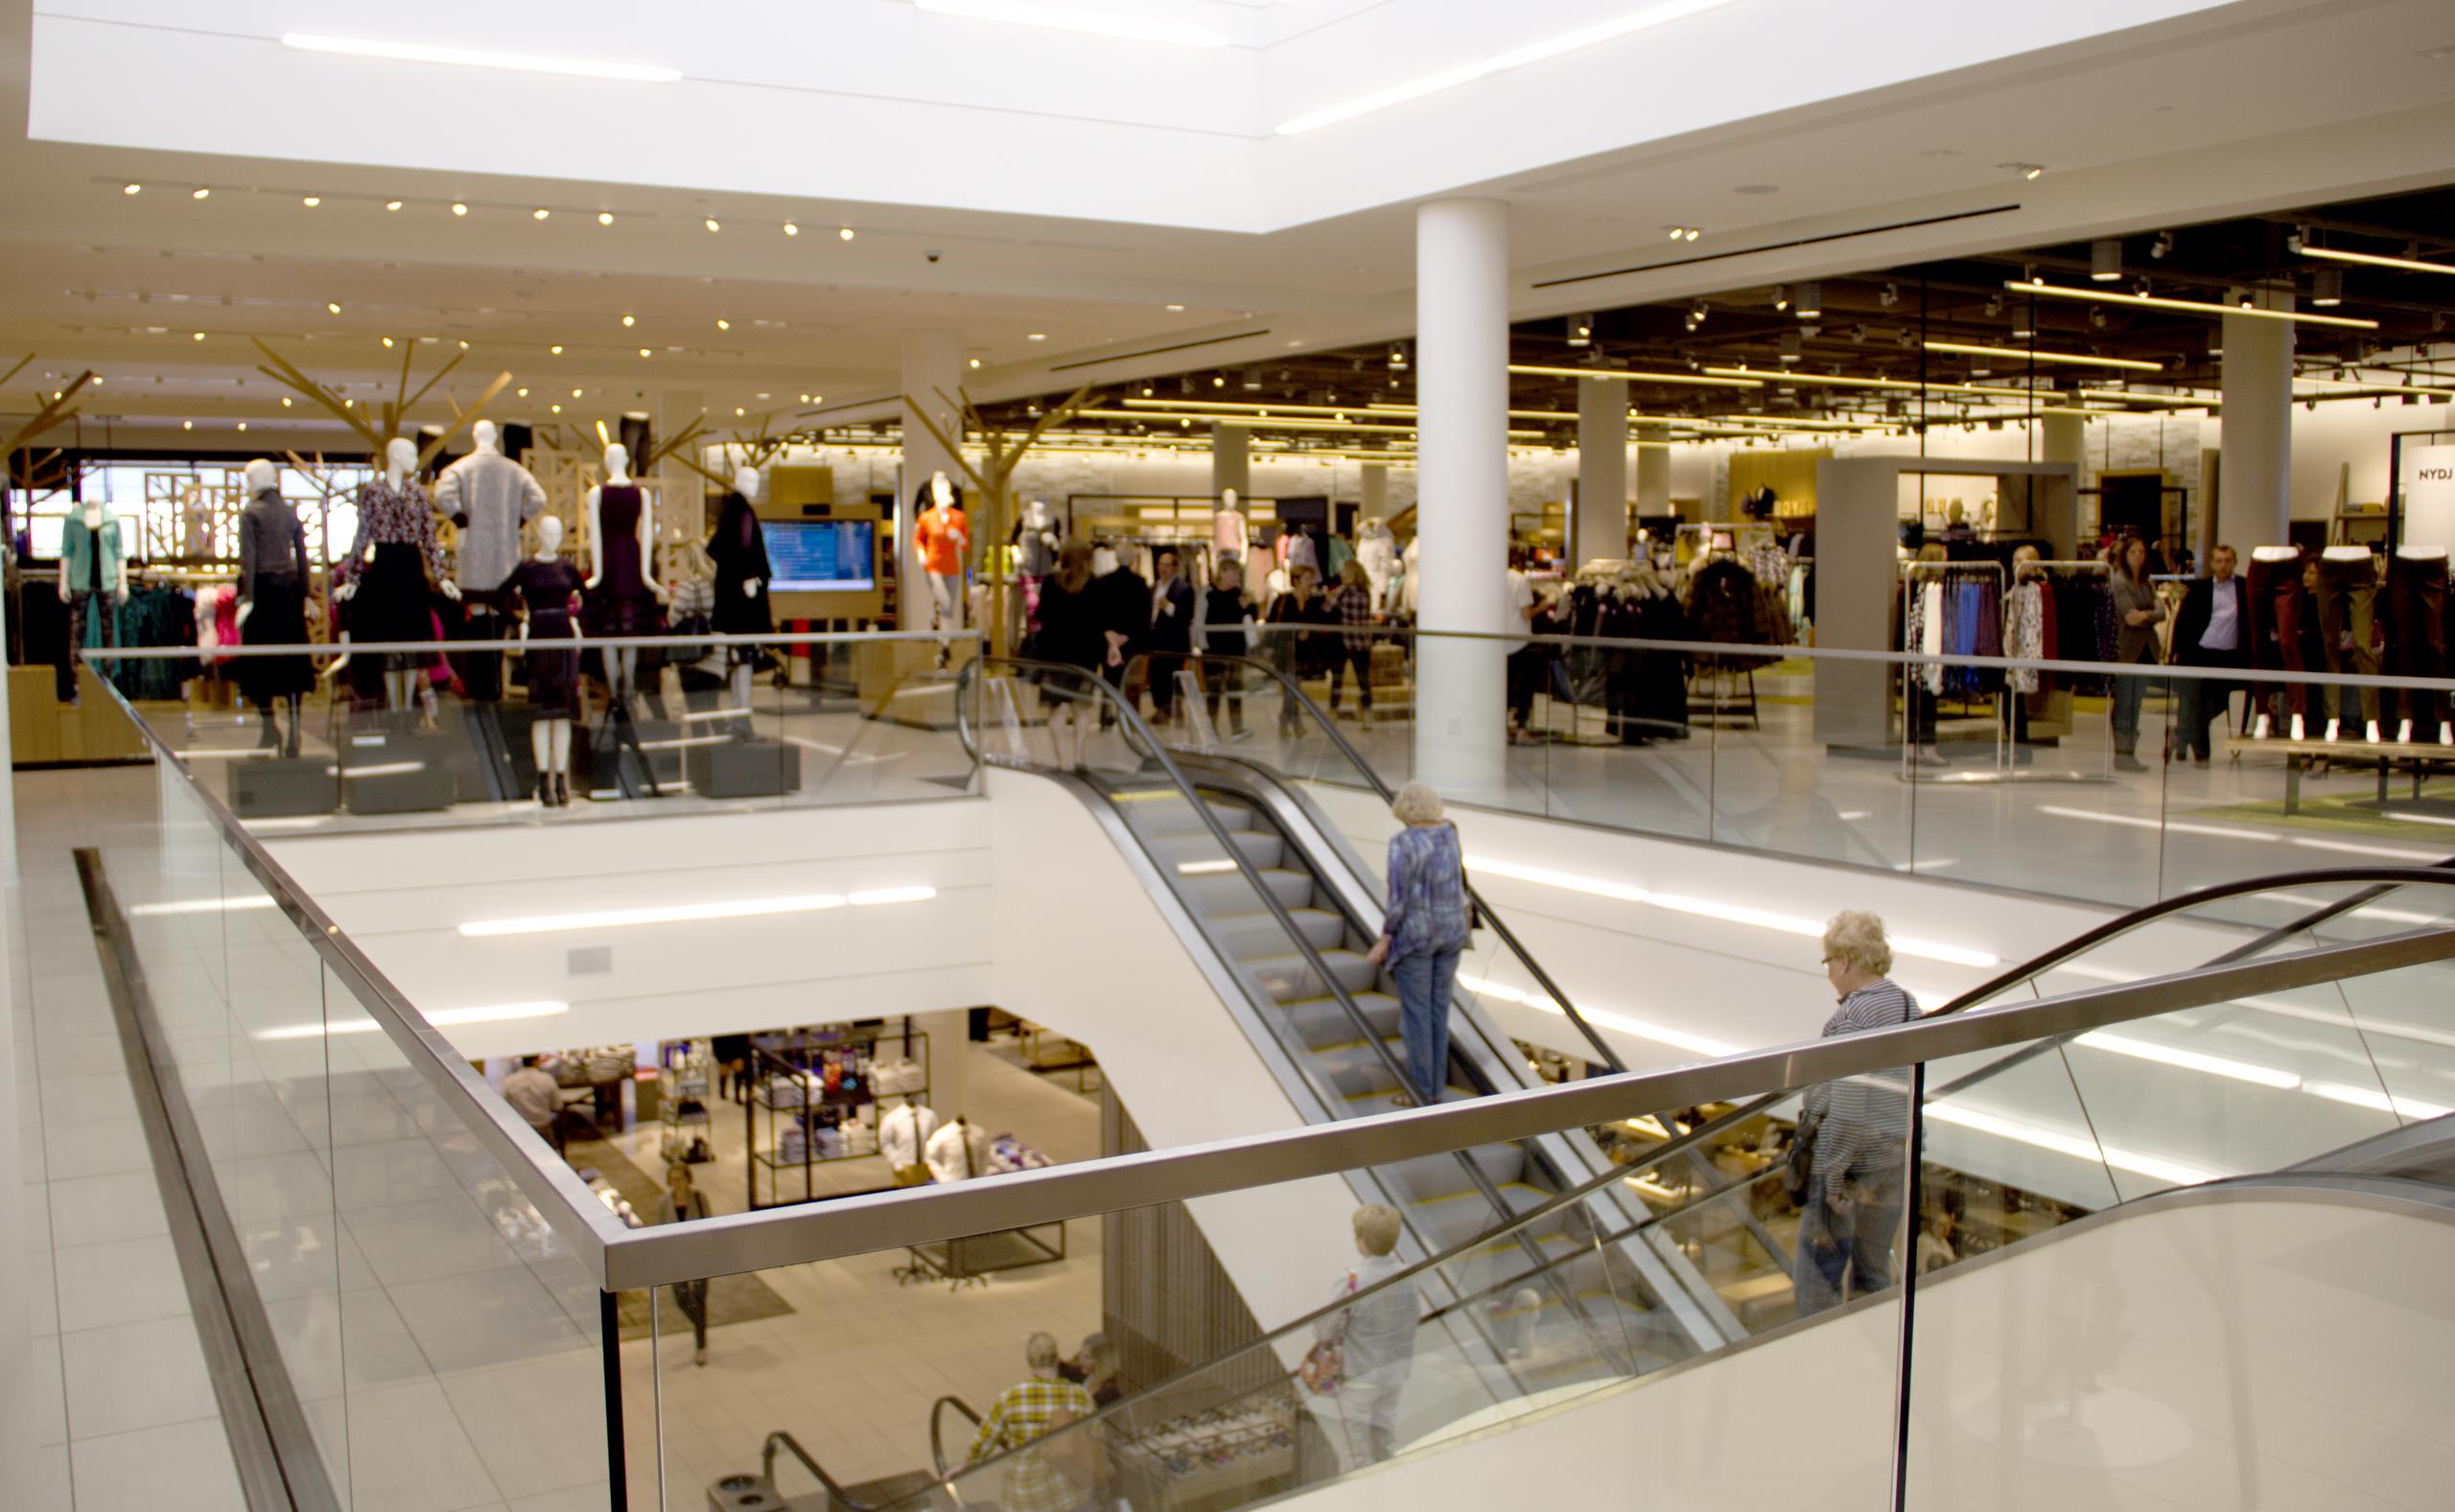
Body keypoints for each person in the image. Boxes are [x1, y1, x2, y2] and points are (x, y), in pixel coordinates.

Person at [1791, 911, 1920, 1318]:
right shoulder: (1906, 1004)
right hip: (1891, 1160)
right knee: (1873, 1270)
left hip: (1848, 1172)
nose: (1829, 971)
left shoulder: (1850, 1018)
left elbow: (1847, 1108)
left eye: (1828, 961)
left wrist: (1832, 1180)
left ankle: (1819, 1362)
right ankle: (1879, 1356)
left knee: (1817, 1281)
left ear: (1844, 960)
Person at [1366, 781, 1471, 1106]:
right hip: (1453, 931)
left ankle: (1421, 1092)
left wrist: (1385, 938)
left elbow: (1399, 900)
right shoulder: (1449, 832)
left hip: (1418, 936)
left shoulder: (1403, 843)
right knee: (1439, 1010)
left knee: (1417, 1016)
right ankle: (1435, 1086)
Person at [1318, 1203, 1419, 1467]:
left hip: (1360, 1376)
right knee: (1386, 1442)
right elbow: (1413, 1318)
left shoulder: (1352, 1280)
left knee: (1355, 1454)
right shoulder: (1408, 1274)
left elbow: (1325, 1328)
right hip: (1394, 1372)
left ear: (1362, 1241)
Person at [968, 1332, 1100, 1512]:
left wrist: (966, 1465)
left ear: (1030, 1362)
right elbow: (1098, 1436)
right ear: (1056, 1360)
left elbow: (983, 1441)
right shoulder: (1078, 1395)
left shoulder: (1011, 1397)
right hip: (1065, 1492)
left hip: (1022, 1495)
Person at [2168, 544, 2248, 766]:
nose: (2223, 565)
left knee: (2218, 702)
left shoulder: (2243, 587)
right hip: (2200, 653)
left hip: (2229, 656)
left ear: (2234, 562)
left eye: (2228, 560)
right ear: (2212, 563)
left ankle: (2181, 733)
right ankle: (2202, 753)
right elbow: (2183, 622)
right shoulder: (2200, 589)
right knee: (2198, 702)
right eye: (2219, 561)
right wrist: (2176, 652)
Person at [1030, 543, 1107, 768]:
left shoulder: (1051, 583)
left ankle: (1062, 759)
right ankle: (1079, 756)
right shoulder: (1094, 584)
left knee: (1057, 709)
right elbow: (1099, 621)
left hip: (1055, 655)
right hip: (1085, 656)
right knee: (1081, 708)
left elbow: (1041, 615)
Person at [2109, 536, 2167, 772]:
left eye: (2141, 552)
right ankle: (2122, 752)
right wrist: (2147, 614)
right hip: (2127, 649)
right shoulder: (2119, 581)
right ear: (2125, 555)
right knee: (2125, 701)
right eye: (2133, 552)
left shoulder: (2146, 582)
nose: (2138, 556)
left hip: (2146, 649)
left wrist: (2145, 615)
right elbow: (2129, 617)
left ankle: (2130, 750)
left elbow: (2162, 611)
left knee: (2136, 702)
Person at [654, 1162, 713, 1365]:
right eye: (673, 1179)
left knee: (698, 1297)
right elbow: (659, 1232)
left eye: (680, 1178)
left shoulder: (698, 1198)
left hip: (699, 1257)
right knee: (682, 1297)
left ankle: (701, 1345)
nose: (677, 1183)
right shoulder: (664, 1202)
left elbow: (710, 1226)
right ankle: (701, 1326)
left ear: (688, 1178)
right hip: (675, 1259)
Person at [1192, 557, 1256, 738]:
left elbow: (1248, 620)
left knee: (1235, 689)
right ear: (1223, 572)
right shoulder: (1208, 593)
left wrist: (1248, 607)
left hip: (1235, 650)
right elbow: (1199, 621)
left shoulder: (1240, 594)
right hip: (1213, 650)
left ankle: (1237, 728)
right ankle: (1211, 728)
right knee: (1213, 691)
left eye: (1238, 573)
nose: (1236, 576)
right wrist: (1202, 646)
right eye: (1233, 572)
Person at [1263, 563, 1323, 737]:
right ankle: (1292, 721)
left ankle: (1287, 719)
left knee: (1294, 686)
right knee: (1292, 686)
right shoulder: (1284, 600)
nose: (1311, 582)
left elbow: (1317, 624)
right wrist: (1269, 646)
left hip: (1304, 651)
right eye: (1307, 578)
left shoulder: (1313, 602)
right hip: (1285, 650)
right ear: (1296, 580)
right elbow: (1273, 623)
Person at [1144, 547, 1196, 725]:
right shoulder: (1152, 588)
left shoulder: (1183, 589)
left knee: (1172, 676)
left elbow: (1186, 616)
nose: (1163, 569)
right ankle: (1161, 709)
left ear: (1174, 567)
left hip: (1174, 642)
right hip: (1155, 641)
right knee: (1157, 677)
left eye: (1167, 565)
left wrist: (1169, 607)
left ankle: (1174, 707)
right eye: (1160, 564)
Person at [1324, 560, 1378, 718]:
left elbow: (1327, 608)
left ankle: (1333, 712)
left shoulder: (1343, 591)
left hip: (1344, 639)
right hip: (1362, 640)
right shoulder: (1365, 592)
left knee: (1338, 679)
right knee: (1363, 679)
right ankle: (1367, 714)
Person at [1505, 558, 1542, 743]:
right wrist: (1544, 605)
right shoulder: (1519, 580)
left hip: (1496, 642)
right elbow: (1526, 613)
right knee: (1524, 687)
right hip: (1519, 640)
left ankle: (1502, 727)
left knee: (1504, 686)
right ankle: (1521, 728)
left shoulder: (1487, 579)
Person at [501, 1055, 564, 1153]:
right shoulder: (547, 1079)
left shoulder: (510, 1081)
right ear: (536, 1061)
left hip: (519, 1128)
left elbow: (502, 1106)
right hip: (542, 1125)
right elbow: (557, 1106)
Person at [1058, 1333, 1122, 1407]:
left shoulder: (1109, 1395)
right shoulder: (1088, 1373)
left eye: (1087, 1357)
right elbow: (1067, 1371)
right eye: (1081, 1353)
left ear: (1102, 1362)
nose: (1081, 1359)